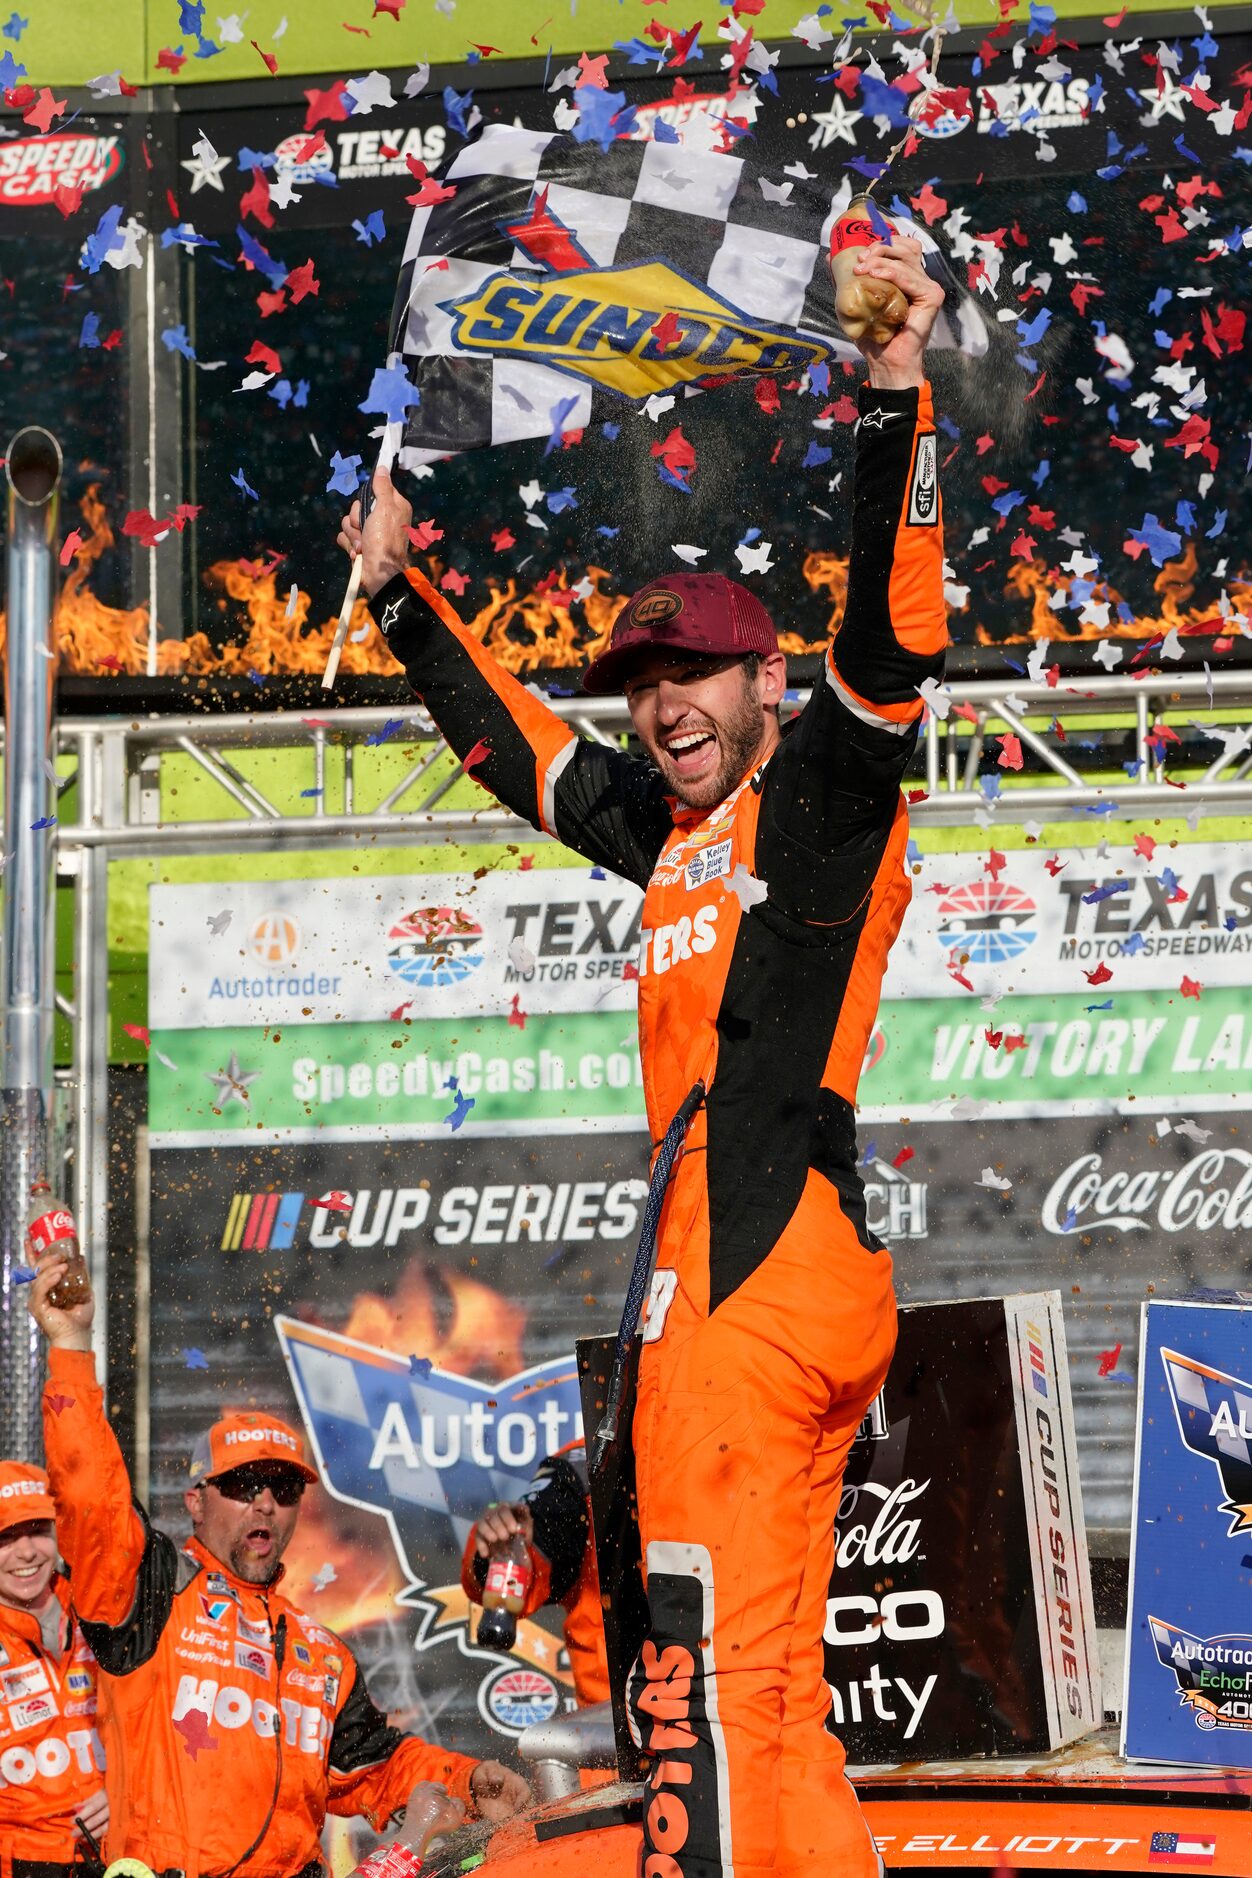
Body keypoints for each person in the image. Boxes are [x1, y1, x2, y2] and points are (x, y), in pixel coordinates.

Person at [339, 235, 946, 1878]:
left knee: (678, 1691)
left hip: (746, 1284)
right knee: (769, 1702)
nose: (662, 703)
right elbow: (524, 756)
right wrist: (399, 593)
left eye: (694, 673)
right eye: (643, 683)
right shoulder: (670, 832)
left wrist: (895, 399)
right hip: (784, 1274)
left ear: (765, 679)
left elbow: (889, 645)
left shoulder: (811, 805)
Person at [27, 1262, 531, 1878]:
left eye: (284, 1486)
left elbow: (375, 1766)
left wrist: (467, 1778)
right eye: (242, 1484)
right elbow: (90, 1497)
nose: (264, 1501)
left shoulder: (320, 1654)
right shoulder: (150, 1591)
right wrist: (70, 1346)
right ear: (196, 1500)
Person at [0, 1460, 107, 1877]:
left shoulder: (104, 1620)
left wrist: (129, 1791)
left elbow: (156, 1731)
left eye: (37, 1531)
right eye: (6, 1537)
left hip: (118, 1856)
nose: (26, 1552)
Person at [462, 1444, 609, 1708]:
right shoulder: (588, 1461)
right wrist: (500, 1544)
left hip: (703, 1699)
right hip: (612, 1718)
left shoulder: (702, 1448)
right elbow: (535, 1543)